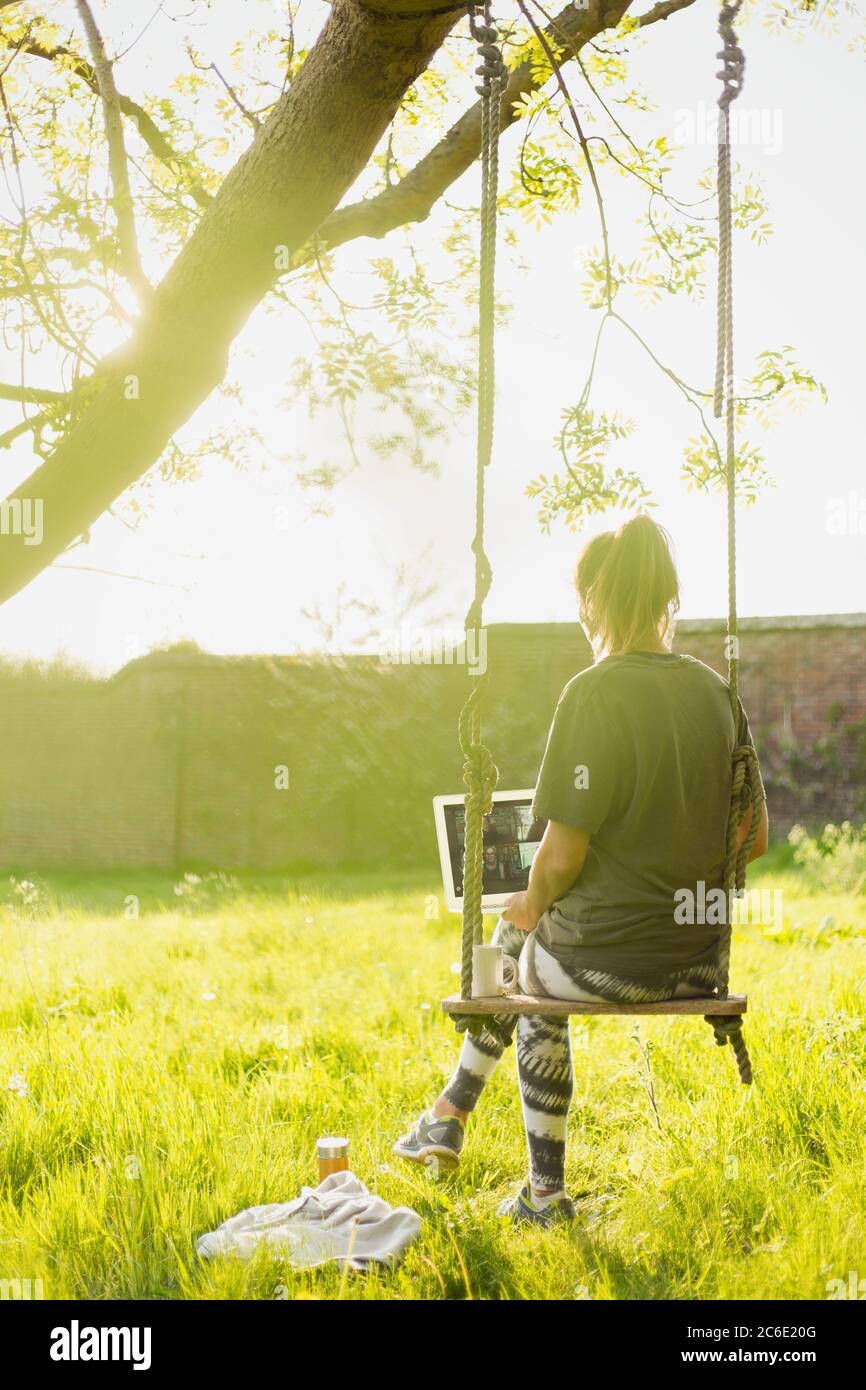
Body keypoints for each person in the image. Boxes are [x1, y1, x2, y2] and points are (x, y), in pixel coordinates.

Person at [394, 514, 769, 1226]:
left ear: (593, 601)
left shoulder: (592, 692)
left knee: (528, 981)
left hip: (611, 960)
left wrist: (530, 905)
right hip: (696, 962)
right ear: (668, 598)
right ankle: (446, 1115)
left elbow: (561, 858)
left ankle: (541, 1194)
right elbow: (749, 838)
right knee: (528, 947)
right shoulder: (720, 696)